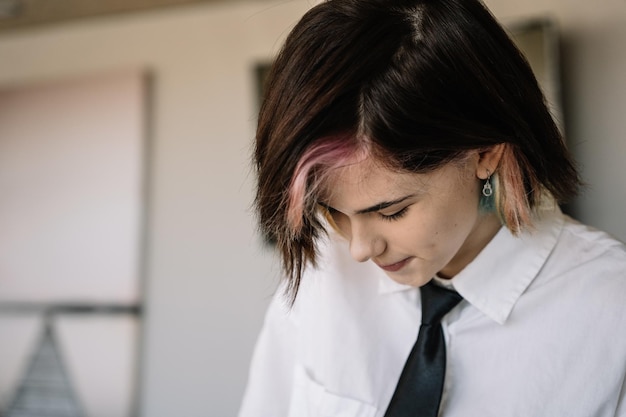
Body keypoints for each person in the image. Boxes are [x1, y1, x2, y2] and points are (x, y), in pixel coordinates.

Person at [239, 0, 626, 415]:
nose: (359, 249)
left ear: (485, 154)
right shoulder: (323, 280)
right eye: (333, 212)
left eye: (391, 211)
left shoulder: (609, 311)